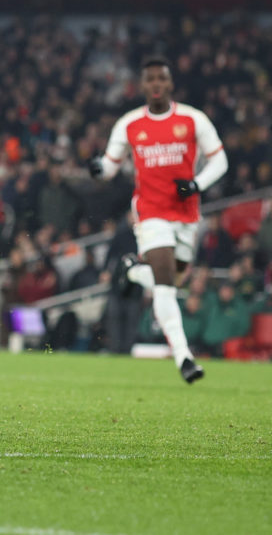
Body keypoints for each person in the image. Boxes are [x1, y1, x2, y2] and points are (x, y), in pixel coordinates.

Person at [89, 57, 227, 383]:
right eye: (149, 79)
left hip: (186, 215)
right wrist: (97, 169)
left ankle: (134, 273)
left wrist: (196, 184)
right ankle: (184, 358)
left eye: (160, 79)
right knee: (166, 288)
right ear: (142, 85)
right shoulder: (129, 124)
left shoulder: (193, 119)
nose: (155, 84)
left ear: (169, 84)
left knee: (173, 280)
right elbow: (109, 166)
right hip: (150, 213)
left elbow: (220, 160)